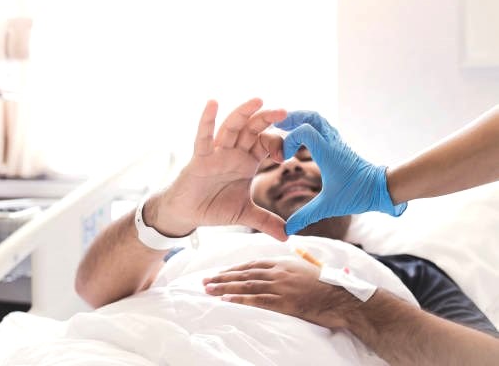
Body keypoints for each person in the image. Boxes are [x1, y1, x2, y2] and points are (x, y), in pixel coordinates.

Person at [75, 98, 499, 365]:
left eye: (307, 158)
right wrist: (170, 208)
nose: (292, 165)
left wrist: (350, 303)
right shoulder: (191, 258)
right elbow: (94, 291)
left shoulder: (404, 272)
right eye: (272, 165)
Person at [270, 105, 499, 234]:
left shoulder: (410, 272)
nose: (291, 166)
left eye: (308, 157)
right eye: (267, 168)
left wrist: (379, 186)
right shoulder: (235, 259)